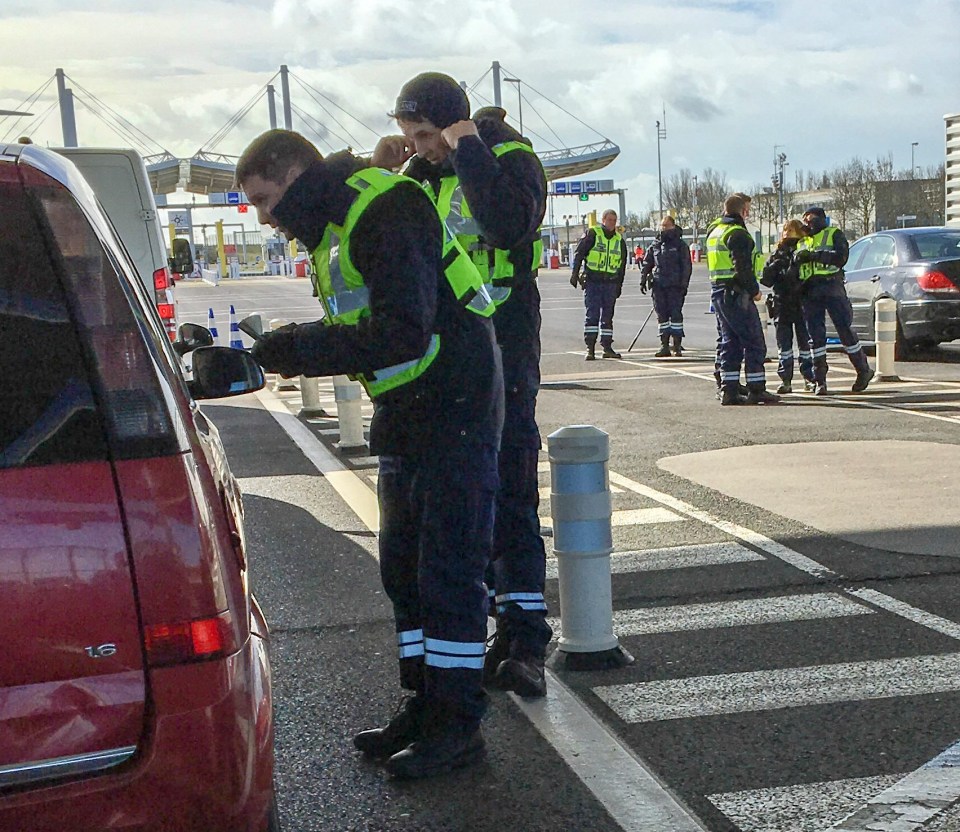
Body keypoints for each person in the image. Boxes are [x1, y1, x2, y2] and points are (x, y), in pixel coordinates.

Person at [236, 129, 504, 779]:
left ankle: (458, 723)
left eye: (267, 200)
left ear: (297, 174)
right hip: (408, 406)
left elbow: (401, 330)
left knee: (447, 572)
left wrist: (295, 346)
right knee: (404, 570)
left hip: (456, 401)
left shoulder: (383, 208)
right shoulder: (332, 224)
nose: (267, 218)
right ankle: (425, 701)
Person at [373, 72, 551, 698]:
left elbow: (506, 225)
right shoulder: (418, 176)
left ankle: (526, 638)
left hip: (507, 345)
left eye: (425, 134)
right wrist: (385, 170)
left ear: (454, 122)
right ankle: (469, 643)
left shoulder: (508, 157)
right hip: (448, 361)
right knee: (458, 506)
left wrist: (469, 145)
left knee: (511, 490)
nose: (418, 147)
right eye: (408, 137)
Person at [705, 193, 778, 405]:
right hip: (737, 294)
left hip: (719, 292)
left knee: (730, 342)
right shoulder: (737, 234)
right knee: (754, 341)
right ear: (743, 211)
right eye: (748, 209)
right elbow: (743, 269)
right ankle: (756, 388)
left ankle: (729, 389)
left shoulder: (715, 231)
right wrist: (755, 291)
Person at [795, 207, 875, 395]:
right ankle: (820, 380)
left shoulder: (834, 234)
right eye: (805, 218)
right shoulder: (803, 241)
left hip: (832, 287)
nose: (807, 221)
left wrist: (814, 255)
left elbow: (841, 258)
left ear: (821, 218)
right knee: (816, 336)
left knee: (844, 330)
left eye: (811, 217)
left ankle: (863, 370)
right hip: (810, 290)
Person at [760, 219, 816, 393]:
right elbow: (766, 279)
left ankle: (809, 377)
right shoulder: (778, 254)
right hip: (782, 303)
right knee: (784, 346)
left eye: (791, 230)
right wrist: (775, 267)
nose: (787, 233)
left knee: (805, 344)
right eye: (786, 230)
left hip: (801, 302)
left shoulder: (804, 250)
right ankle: (786, 380)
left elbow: (809, 276)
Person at [571, 209, 628, 360]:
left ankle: (607, 347)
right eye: (609, 220)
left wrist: (619, 285)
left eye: (614, 220)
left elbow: (621, 266)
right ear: (603, 220)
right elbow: (579, 253)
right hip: (593, 282)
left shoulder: (619, 240)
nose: (612, 223)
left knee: (608, 317)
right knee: (592, 315)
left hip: (610, 283)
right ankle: (590, 348)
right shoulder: (593, 234)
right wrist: (575, 273)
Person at [640, 215, 692, 357]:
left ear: (673, 226)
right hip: (659, 285)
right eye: (662, 226)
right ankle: (664, 345)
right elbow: (647, 263)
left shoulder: (680, 245)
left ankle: (677, 345)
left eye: (667, 225)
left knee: (675, 315)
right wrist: (643, 278)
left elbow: (686, 266)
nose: (664, 228)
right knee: (662, 315)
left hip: (675, 286)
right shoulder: (655, 244)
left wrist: (684, 285)